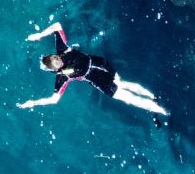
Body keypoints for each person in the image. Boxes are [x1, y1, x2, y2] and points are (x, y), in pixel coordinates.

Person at [17, 21, 167, 115]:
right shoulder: (62, 77)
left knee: (123, 85)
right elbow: (54, 99)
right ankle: (158, 107)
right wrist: (33, 103)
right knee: (127, 96)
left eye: (56, 58)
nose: (59, 60)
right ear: (54, 70)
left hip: (101, 65)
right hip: (98, 78)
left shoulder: (63, 50)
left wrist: (39, 35)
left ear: (55, 55)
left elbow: (57, 26)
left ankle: (155, 100)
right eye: (57, 63)